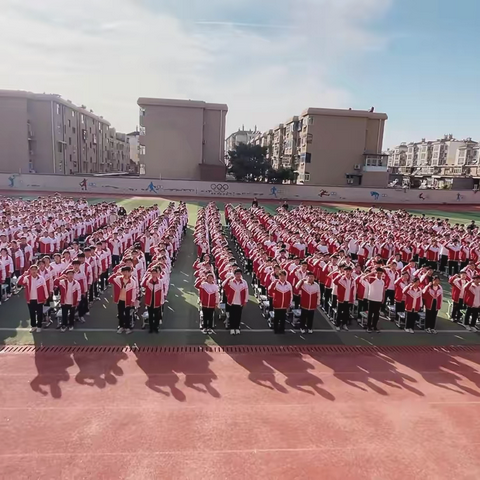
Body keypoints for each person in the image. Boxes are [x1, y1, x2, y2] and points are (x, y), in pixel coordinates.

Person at [17, 265, 49, 333]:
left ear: (37, 270)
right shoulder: (27, 278)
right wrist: (23, 274)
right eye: (32, 270)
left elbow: (45, 288)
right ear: (30, 271)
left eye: (35, 269)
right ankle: (33, 326)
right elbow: (19, 283)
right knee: (32, 313)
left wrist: (46, 297)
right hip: (30, 299)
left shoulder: (41, 278)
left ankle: (39, 326)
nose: (33, 271)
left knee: (39, 313)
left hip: (39, 299)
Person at [109, 266, 139, 334]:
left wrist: (132, 301)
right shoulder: (118, 279)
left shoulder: (132, 281)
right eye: (124, 272)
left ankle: (127, 327)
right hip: (120, 300)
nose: (125, 273)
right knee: (120, 314)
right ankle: (121, 326)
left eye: (127, 272)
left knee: (127, 314)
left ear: (130, 272)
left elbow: (134, 292)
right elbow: (110, 280)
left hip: (128, 301)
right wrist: (116, 274)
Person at [223, 268, 249, 335]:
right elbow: (223, 285)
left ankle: (237, 328)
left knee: (238, 316)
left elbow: (246, 292)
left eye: (239, 274)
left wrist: (245, 301)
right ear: (234, 275)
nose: (238, 275)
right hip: (231, 302)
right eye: (237, 274)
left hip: (240, 302)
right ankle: (232, 328)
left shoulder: (244, 282)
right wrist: (229, 278)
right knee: (232, 316)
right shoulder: (231, 281)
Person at [142, 267, 165, 334]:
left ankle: (156, 327)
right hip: (150, 301)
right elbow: (142, 284)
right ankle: (151, 328)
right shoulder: (148, 281)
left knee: (157, 315)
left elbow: (161, 292)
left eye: (155, 273)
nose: (154, 274)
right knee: (151, 315)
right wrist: (147, 277)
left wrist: (161, 301)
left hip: (157, 301)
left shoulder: (160, 282)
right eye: (152, 273)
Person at [333, 266, 356, 331]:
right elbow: (334, 281)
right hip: (341, 299)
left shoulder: (352, 280)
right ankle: (337, 324)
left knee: (346, 313)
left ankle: (344, 324)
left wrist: (353, 298)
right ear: (344, 272)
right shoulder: (341, 278)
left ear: (351, 272)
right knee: (339, 312)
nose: (348, 272)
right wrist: (340, 275)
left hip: (348, 299)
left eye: (349, 271)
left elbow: (354, 290)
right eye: (346, 271)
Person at [363, 268, 385, 333]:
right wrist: (373, 272)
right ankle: (368, 327)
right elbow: (364, 277)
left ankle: (374, 326)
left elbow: (383, 291)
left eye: (381, 273)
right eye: (378, 273)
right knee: (370, 314)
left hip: (378, 299)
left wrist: (383, 298)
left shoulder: (382, 281)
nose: (379, 274)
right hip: (371, 299)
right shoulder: (372, 279)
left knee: (376, 314)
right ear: (376, 273)